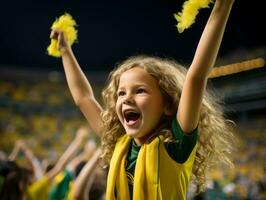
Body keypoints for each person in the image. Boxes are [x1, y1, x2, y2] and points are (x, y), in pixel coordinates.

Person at [50, 0, 236, 199]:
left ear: (168, 104)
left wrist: (222, 7)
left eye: (140, 91)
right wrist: (65, 51)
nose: (127, 98)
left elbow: (196, 77)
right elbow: (83, 97)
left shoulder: (176, 144)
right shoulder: (120, 143)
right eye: (121, 93)